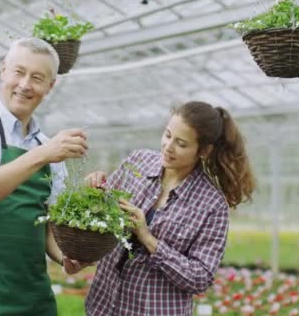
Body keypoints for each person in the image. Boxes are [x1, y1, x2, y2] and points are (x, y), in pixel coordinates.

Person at [0, 37, 90, 316]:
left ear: (50, 85)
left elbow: (49, 228)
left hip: (33, 298)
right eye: (18, 72)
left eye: (37, 77)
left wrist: (67, 256)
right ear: (3, 71)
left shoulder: (47, 148)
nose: (25, 84)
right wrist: (42, 154)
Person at [84, 101, 256, 316]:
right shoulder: (138, 162)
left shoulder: (212, 205)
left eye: (181, 144)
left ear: (204, 151)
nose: (168, 146)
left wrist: (148, 238)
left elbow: (200, 278)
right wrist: (95, 192)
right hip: (104, 305)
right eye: (167, 135)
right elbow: (102, 214)